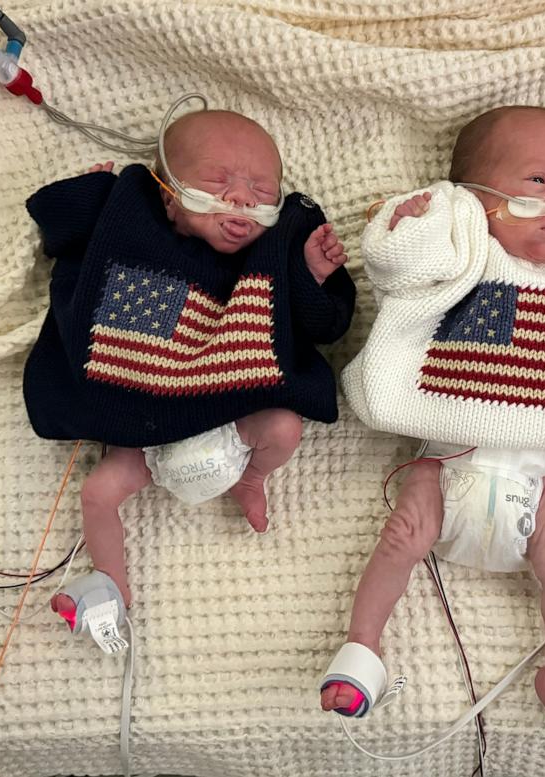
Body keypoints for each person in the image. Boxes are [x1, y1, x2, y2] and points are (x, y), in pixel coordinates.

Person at [320, 106, 545, 766]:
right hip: (445, 464)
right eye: (540, 181)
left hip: (537, 475)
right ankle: (362, 645)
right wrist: (413, 224)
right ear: (480, 199)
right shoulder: (467, 239)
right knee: (403, 534)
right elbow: (399, 266)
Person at [23, 109, 355, 646]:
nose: (241, 199)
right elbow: (58, 231)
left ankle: (252, 479)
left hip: (232, 420)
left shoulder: (273, 253)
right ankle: (112, 584)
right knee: (97, 493)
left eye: (260, 189)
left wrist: (312, 275)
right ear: (168, 193)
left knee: (286, 427)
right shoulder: (126, 219)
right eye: (218, 183)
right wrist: (87, 193)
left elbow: (324, 326)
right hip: (140, 427)